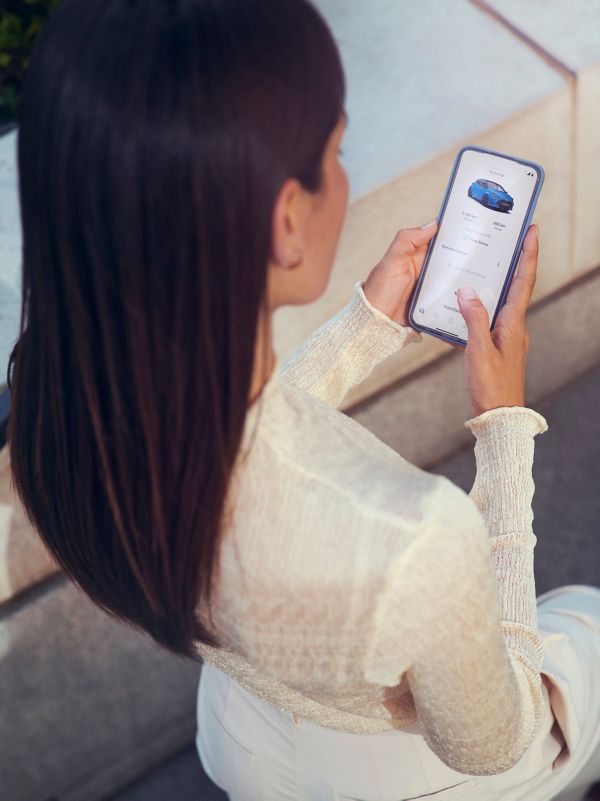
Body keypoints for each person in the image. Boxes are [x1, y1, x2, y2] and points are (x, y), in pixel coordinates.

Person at [7, 1, 600, 800]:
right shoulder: (414, 539)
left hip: (242, 739)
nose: (344, 168)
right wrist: (503, 425)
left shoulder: (54, 401)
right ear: (288, 219)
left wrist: (366, 327)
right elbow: (496, 738)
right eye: (337, 147)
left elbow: (243, 453)